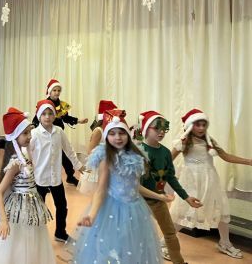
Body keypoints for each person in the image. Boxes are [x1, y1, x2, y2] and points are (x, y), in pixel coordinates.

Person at [71, 112, 167, 263]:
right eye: (112, 133)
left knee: (134, 249)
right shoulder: (106, 158)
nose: (117, 137)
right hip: (112, 211)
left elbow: (135, 186)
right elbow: (101, 190)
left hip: (135, 210)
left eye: (121, 133)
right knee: (113, 250)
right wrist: (92, 215)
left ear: (127, 134)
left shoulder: (135, 156)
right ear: (106, 136)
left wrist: (159, 196)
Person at [0, 107, 55, 264]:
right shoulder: (15, 163)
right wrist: (3, 220)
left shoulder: (27, 157)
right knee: (16, 244)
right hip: (17, 210)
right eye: (25, 133)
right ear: (15, 136)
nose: (29, 136)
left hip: (31, 206)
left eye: (29, 132)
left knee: (31, 240)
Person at [171, 109, 252, 260]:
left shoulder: (210, 141)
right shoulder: (183, 141)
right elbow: (168, 159)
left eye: (204, 125)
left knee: (220, 209)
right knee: (183, 211)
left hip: (211, 180)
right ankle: (165, 242)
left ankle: (225, 243)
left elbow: (225, 156)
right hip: (191, 181)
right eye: (198, 125)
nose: (201, 128)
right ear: (190, 126)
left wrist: (248, 161)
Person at [139, 110, 203, 264]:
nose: (161, 132)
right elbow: (134, 183)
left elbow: (170, 177)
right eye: (157, 128)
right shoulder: (138, 151)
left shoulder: (165, 152)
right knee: (138, 235)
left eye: (164, 129)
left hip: (158, 200)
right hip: (138, 201)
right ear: (146, 128)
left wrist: (186, 197)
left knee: (169, 233)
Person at [29, 99, 83, 243]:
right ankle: (36, 235)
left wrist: (78, 165)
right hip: (39, 178)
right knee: (37, 208)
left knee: (62, 206)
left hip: (55, 179)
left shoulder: (59, 132)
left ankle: (60, 232)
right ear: (39, 116)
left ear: (55, 115)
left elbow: (69, 150)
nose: (47, 117)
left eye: (50, 113)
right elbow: (26, 153)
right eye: (44, 114)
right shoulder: (34, 134)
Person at [40, 79, 88, 185]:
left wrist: (79, 120)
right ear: (49, 91)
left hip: (57, 134)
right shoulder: (45, 105)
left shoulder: (61, 105)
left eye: (58, 90)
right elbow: (37, 118)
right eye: (54, 90)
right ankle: (43, 181)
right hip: (46, 136)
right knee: (47, 158)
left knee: (65, 156)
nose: (57, 92)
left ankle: (70, 176)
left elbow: (66, 118)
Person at [77, 100, 117, 195]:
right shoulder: (98, 131)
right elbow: (90, 151)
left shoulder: (110, 130)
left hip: (110, 163)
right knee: (99, 193)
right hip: (99, 166)